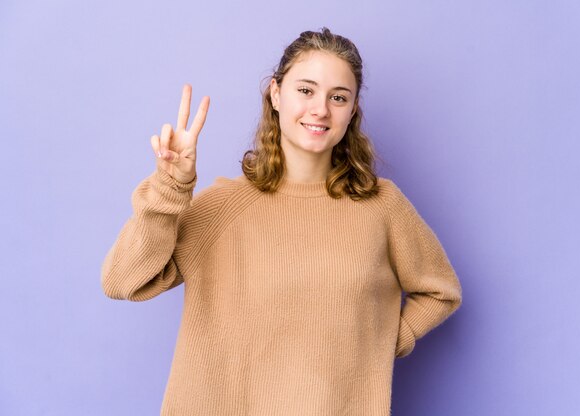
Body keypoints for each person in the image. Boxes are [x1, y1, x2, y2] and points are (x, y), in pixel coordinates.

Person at [101, 27, 462, 416]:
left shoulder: (381, 206)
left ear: (353, 111)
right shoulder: (225, 206)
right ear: (275, 94)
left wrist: (381, 343)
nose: (320, 109)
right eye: (305, 90)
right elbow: (123, 281)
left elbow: (441, 291)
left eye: (338, 97)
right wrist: (171, 186)